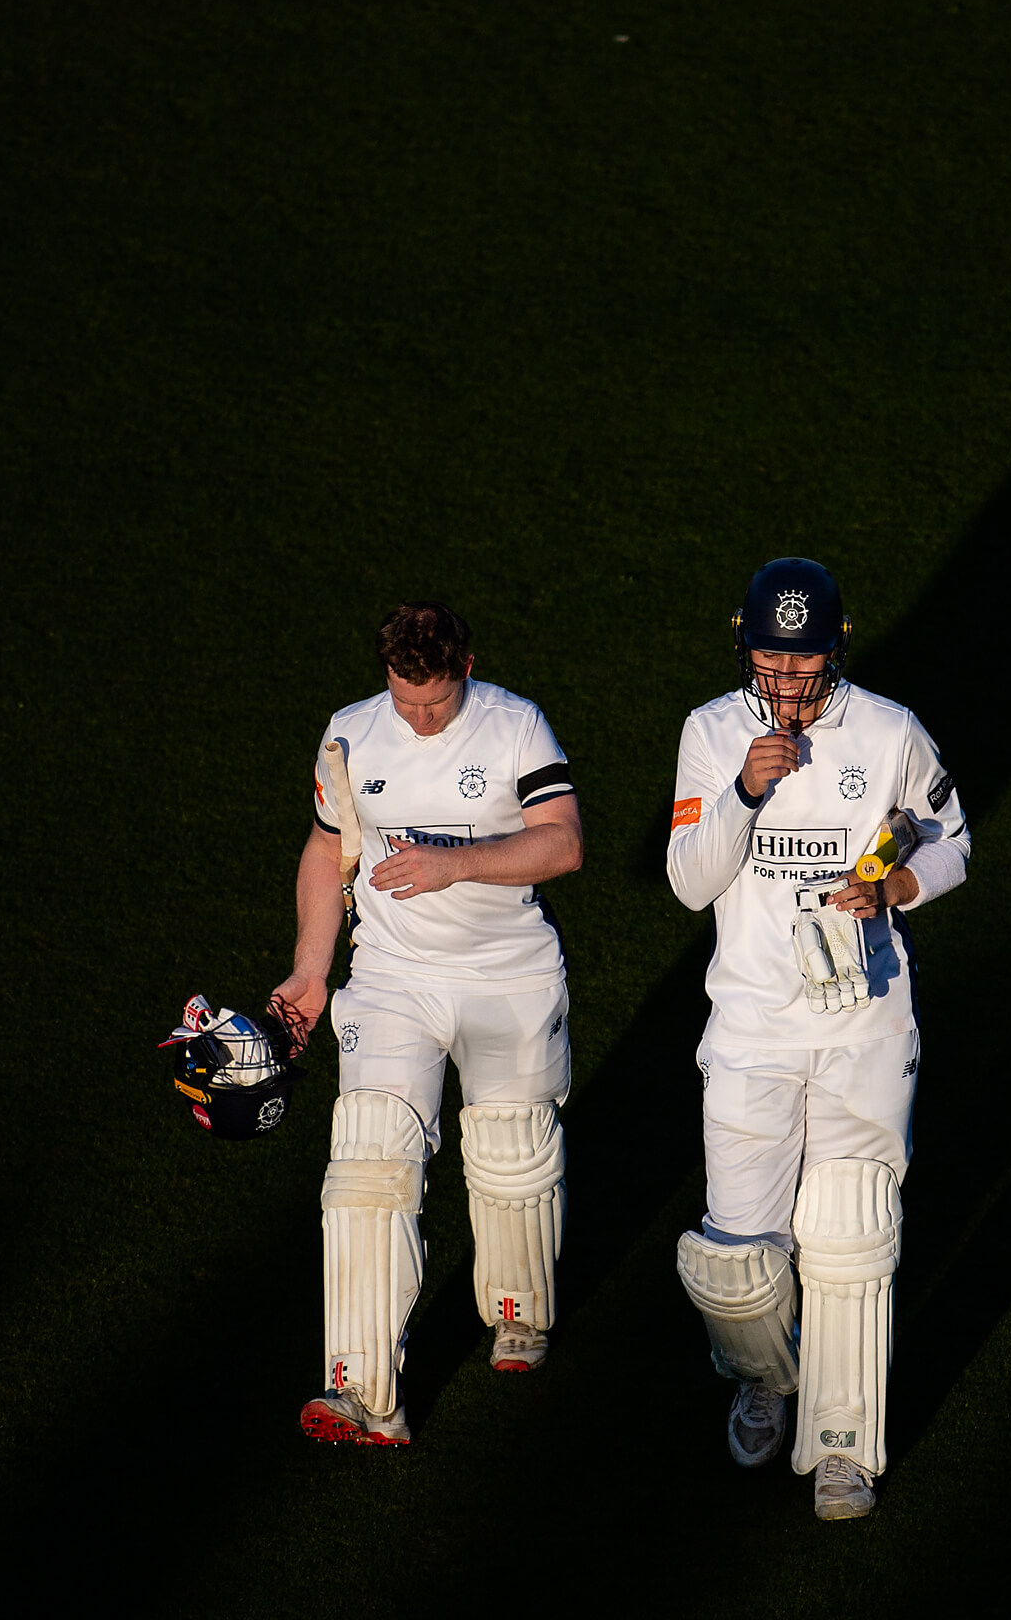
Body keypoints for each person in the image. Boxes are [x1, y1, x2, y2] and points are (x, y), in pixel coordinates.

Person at [665, 558, 971, 1520]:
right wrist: (743, 795)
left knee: (849, 1234)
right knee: (734, 1258)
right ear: (744, 646)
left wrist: (893, 886)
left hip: (863, 1024)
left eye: (804, 661)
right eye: (770, 658)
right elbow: (687, 880)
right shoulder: (713, 735)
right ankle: (766, 1377)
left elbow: (951, 837)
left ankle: (844, 1447)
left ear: (836, 648)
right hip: (753, 1025)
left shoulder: (888, 733)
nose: (787, 680)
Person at [266, 601, 586, 1448]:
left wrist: (460, 863)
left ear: (467, 668)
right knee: (367, 1166)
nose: (418, 718)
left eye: (435, 702)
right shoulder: (351, 733)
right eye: (405, 699)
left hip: (506, 976)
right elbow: (328, 846)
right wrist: (309, 968)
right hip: (392, 977)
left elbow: (561, 844)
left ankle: (519, 1312)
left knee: (512, 1158)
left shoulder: (517, 728)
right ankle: (363, 1391)